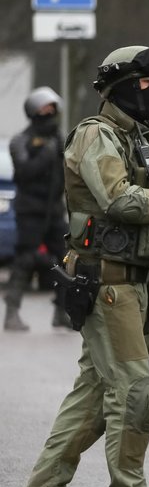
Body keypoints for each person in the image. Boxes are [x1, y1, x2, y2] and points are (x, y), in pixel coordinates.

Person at [15, 45, 149, 487]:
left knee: (95, 397)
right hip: (107, 281)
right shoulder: (96, 136)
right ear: (118, 88)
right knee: (138, 395)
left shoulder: (146, 140)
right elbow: (119, 199)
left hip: (139, 280)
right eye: (144, 83)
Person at [5, 87, 71, 332]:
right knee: (25, 260)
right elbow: (23, 171)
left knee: (67, 259)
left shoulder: (59, 139)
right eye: (44, 109)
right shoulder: (20, 141)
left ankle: (62, 311)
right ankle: (11, 313)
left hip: (54, 210)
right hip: (30, 210)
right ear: (33, 111)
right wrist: (46, 154)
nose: (48, 113)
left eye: (51, 109)